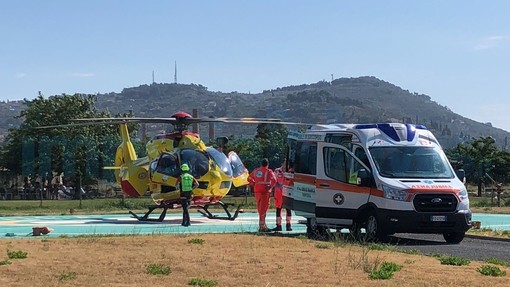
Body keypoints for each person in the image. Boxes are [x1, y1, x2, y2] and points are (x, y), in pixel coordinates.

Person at [248, 158, 276, 232]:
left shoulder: (256, 170)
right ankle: (262, 226)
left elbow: (249, 178)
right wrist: (271, 187)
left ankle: (263, 224)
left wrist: (254, 184)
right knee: (263, 208)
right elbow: (274, 180)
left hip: (257, 191)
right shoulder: (269, 171)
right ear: (267, 164)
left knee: (259, 207)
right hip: (265, 191)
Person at [272, 161, 292, 232]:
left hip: (287, 193)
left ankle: (288, 225)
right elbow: (273, 180)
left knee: (288, 209)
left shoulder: (290, 172)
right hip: (278, 193)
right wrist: (277, 185)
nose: (286, 165)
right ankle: (278, 225)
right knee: (278, 209)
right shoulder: (277, 171)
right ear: (282, 164)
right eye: (284, 164)